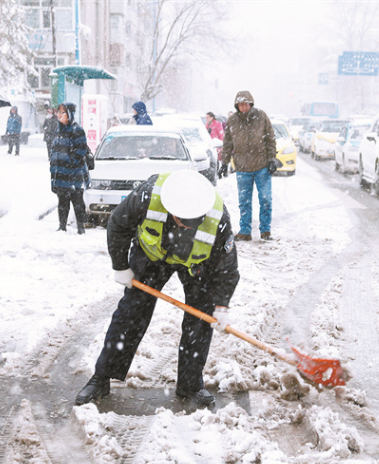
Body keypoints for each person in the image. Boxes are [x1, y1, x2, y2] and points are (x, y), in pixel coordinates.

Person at [74, 170, 240, 407]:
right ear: (172, 210)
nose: (185, 226)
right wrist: (121, 267)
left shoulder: (218, 217)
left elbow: (227, 266)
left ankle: (190, 385)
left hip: (196, 265)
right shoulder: (147, 196)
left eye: (192, 223)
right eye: (181, 221)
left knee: (201, 317)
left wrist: (222, 304)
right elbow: (118, 225)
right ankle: (102, 377)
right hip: (151, 256)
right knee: (131, 312)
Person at [220, 90, 277, 241]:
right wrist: (224, 162)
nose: (243, 107)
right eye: (240, 105)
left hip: (262, 166)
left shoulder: (261, 116)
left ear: (251, 104)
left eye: (246, 104)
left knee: (265, 199)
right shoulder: (233, 121)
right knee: (244, 201)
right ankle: (245, 231)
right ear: (237, 106)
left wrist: (272, 159)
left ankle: (265, 231)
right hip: (242, 168)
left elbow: (270, 139)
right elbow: (227, 143)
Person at [50, 102, 89, 234]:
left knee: (77, 201)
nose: (59, 115)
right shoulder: (58, 130)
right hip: (60, 173)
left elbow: (81, 150)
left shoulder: (77, 130)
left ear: (70, 115)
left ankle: (80, 227)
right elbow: (54, 150)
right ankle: (62, 226)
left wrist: (70, 162)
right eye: (58, 112)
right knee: (62, 202)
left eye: (62, 112)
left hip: (74, 174)